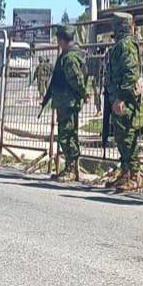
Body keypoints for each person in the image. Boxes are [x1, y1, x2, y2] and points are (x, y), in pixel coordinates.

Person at [104, 13, 143, 191]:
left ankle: (134, 175)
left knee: (128, 137)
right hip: (119, 97)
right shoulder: (121, 44)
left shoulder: (127, 45)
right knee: (121, 137)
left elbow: (130, 73)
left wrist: (121, 97)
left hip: (125, 99)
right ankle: (126, 172)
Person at [44, 25, 87, 181]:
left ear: (62, 39)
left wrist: (82, 93)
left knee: (67, 135)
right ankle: (72, 168)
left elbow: (76, 79)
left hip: (67, 102)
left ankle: (70, 169)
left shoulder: (69, 57)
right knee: (68, 134)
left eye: (58, 39)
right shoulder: (69, 54)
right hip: (65, 101)